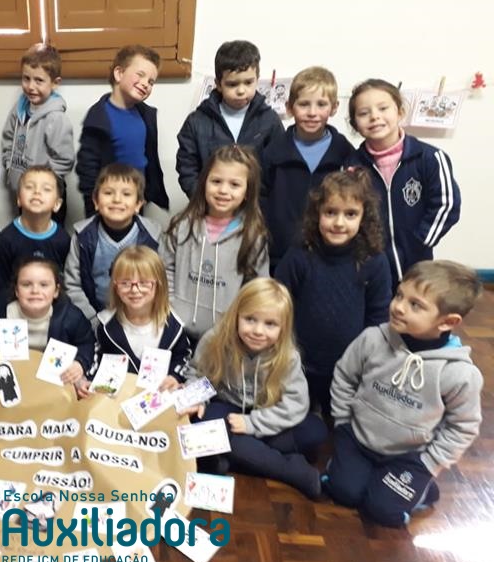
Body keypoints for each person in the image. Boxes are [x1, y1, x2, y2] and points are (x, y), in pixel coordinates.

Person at [323, 260, 483, 527]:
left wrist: (429, 463)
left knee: (383, 512)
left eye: (415, 305)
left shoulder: (459, 374)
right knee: (343, 492)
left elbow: (463, 427)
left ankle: (422, 489)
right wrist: (342, 422)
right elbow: (344, 376)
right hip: (358, 439)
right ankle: (363, 474)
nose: (398, 306)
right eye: (399, 295)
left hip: (408, 458)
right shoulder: (373, 339)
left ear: (448, 321)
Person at [183, 278, 327, 499]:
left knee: (315, 432)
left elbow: (295, 405)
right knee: (199, 426)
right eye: (250, 319)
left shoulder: (288, 356)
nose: (258, 331)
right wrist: (197, 399)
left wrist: (252, 424)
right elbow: (197, 373)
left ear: (283, 327)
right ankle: (292, 471)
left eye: (270, 324)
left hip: (264, 412)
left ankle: (228, 455)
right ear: (237, 315)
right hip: (226, 407)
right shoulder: (215, 339)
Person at [275, 170, 391, 415]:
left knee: (340, 423)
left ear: (364, 216)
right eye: (330, 212)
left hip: (349, 368)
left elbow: (378, 317)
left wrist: (366, 360)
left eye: (350, 214)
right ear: (317, 213)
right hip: (299, 364)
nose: (339, 223)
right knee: (299, 421)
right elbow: (278, 303)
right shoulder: (299, 255)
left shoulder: (374, 261)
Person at [346, 79, 461, 286]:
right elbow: (346, 211)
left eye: (383, 108)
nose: (375, 116)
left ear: (400, 112)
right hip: (371, 266)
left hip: (417, 262)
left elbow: (446, 205)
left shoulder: (430, 158)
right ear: (355, 124)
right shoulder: (351, 166)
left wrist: (420, 241)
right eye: (363, 113)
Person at [161, 145, 269, 342]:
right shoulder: (181, 224)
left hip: (225, 336)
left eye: (234, 184)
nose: (223, 190)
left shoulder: (253, 235)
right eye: (216, 181)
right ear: (204, 183)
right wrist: (171, 307)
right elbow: (164, 268)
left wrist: (237, 322)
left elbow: (256, 288)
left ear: (247, 191)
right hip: (175, 329)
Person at [261, 66, 354, 270]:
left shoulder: (345, 153)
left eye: (321, 104)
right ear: (289, 107)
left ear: (334, 107)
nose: (312, 113)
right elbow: (260, 201)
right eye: (304, 104)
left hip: (329, 258)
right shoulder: (273, 153)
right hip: (279, 256)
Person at [0, 257, 95, 395]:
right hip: (10, 382)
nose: (35, 290)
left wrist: (80, 363)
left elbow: (86, 342)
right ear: (16, 290)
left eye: (44, 285)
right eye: (26, 284)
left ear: (56, 291)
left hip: (53, 385)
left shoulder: (70, 317)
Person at [176, 40, 283, 198]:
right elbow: (187, 169)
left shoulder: (269, 120)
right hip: (210, 206)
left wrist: (260, 203)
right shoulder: (197, 122)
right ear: (218, 84)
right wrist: (204, 200)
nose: (241, 90)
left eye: (248, 82)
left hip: (256, 208)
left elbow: (278, 168)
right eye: (232, 84)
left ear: (257, 79)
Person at [85, 246, 191, 398]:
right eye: (125, 283)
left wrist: (175, 376)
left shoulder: (173, 327)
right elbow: (95, 357)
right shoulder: (105, 325)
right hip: (116, 400)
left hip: (157, 400)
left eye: (144, 283)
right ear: (115, 286)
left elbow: (183, 357)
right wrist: (89, 380)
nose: (135, 290)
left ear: (159, 284)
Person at [76, 45, 168, 216]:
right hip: (109, 204)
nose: (145, 84)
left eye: (151, 82)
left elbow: (147, 158)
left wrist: (146, 194)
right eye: (140, 75)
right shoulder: (98, 118)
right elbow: (87, 168)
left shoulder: (146, 115)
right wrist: (93, 205)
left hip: (136, 201)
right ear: (119, 74)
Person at [64, 164, 161, 324]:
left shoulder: (153, 238)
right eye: (108, 193)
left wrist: (144, 319)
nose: (117, 199)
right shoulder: (83, 237)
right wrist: (93, 320)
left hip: (141, 320)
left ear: (138, 204)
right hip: (93, 319)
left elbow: (161, 284)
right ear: (96, 201)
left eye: (126, 194)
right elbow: (73, 285)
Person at [1, 43, 74, 224]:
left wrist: (44, 184)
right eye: (26, 78)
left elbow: (64, 160)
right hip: (23, 192)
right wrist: (10, 166)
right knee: (26, 234)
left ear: (55, 83)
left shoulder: (56, 118)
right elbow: (8, 139)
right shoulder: (18, 110)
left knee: (50, 237)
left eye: (39, 80)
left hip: (47, 197)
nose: (31, 86)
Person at [0, 166, 71, 286]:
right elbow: (1, 285)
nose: (37, 192)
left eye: (46, 189)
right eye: (29, 187)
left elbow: (66, 282)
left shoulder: (63, 240)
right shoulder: (6, 239)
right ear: (18, 199)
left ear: (57, 204)